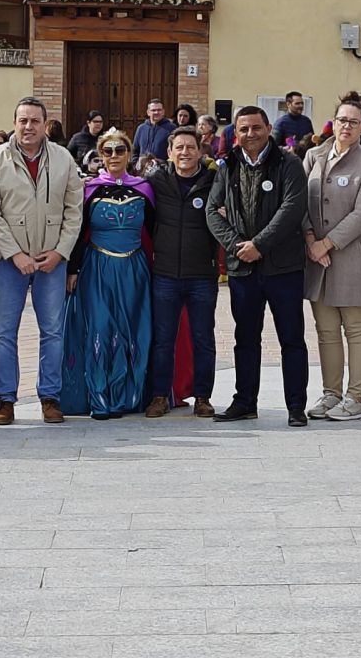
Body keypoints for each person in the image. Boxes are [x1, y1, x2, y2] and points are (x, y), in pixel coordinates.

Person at [0, 97, 84, 425]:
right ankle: (5, 399)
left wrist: (61, 252)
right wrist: (15, 254)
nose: (28, 127)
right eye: (22, 121)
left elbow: (74, 210)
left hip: (51, 260)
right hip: (11, 261)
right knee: (3, 331)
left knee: (52, 330)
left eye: (34, 121)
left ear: (44, 124)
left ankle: (50, 396)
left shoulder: (63, 158)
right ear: (14, 123)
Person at [206, 105, 310, 426]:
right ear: (235, 134)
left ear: (268, 128)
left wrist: (259, 245)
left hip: (283, 268)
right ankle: (245, 401)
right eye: (243, 129)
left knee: (291, 338)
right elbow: (212, 210)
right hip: (243, 270)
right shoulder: (228, 166)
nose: (250, 134)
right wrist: (239, 246)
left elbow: (292, 208)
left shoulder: (288, 163)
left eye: (255, 127)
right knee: (246, 338)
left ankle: (295, 405)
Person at [302, 92, 361, 421]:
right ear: (332, 122)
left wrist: (328, 243)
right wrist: (311, 239)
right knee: (325, 330)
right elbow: (300, 203)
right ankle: (330, 393)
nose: (346, 126)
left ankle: (356, 397)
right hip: (316, 258)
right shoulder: (313, 156)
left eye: (353, 121)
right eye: (341, 120)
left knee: (355, 327)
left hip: (352, 257)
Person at [60, 128, 155, 419]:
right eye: (108, 151)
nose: (114, 156)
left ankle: (130, 396)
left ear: (129, 154)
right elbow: (76, 231)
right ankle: (100, 396)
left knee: (132, 332)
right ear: (100, 155)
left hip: (134, 269)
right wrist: (73, 269)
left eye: (120, 150)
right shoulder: (88, 189)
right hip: (97, 268)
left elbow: (155, 231)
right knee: (100, 329)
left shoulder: (145, 188)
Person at [145, 127, 219, 418]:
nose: (185, 152)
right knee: (163, 339)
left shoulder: (214, 182)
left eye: (190, 147)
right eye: (179, 148)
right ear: (169, 152)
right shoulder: (156, 181)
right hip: (164, 273)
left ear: (200, 152)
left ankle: (203, 397)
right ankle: (160, 396)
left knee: (203, 338)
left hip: (202, 274)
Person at [131, 99, 175, 163]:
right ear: (148, 112)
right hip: (142, 170)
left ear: (163, 112)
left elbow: (174, 151)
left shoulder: (172, 129)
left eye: (159, 110)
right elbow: (134, 150)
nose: (156, 112)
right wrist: (135, 164)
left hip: (162, 170)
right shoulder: (141, 128)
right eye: (153, 110)